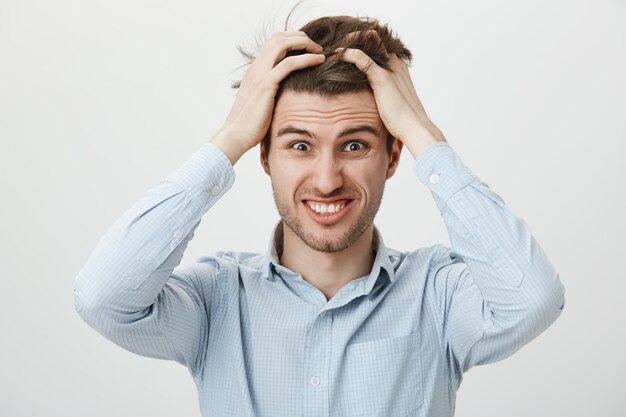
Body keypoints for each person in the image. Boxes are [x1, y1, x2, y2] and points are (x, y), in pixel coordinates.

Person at [73, 13, 566, 417]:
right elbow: (103, 298)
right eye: (299, 145)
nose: (327, 178)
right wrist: (230, 138)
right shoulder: (216, 299)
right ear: (264, 156)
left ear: (392, 157)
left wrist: (421, 132)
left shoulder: (436, 295)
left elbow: (533, 300)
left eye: (354, 144)